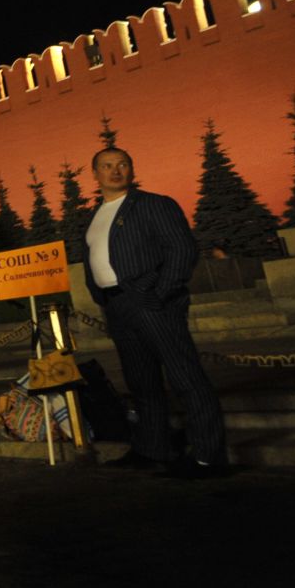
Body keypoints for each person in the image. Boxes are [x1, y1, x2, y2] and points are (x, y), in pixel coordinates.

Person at [84, 145, 229, 477]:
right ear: (95, 174)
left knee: (185, 377)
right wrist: (103, 298)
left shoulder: (153, 205)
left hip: (151, 301)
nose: (115, 170)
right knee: (141, 382)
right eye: (107, 166)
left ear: (131, 169)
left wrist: (161, 292)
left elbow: (181, 248)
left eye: (122, 164)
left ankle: (208, 457)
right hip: (117, 306)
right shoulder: (95, 215)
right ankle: (152, 449)